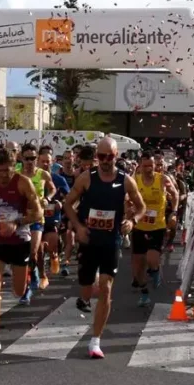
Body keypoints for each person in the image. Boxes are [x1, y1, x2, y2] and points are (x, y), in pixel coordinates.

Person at [63, 137, 144, 359]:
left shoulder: (126, 181)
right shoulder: (86, 179)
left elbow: (141, 206)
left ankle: (95, 340)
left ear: (116, 156)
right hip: (88, 240)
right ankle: (85, 296)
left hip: (111, 241)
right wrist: (78, 227)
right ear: (96, 157)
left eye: (110, 156)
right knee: (87, 286)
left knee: (107, 288)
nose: (106, 161)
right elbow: (67, 203)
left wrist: (133, 221)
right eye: (101, 156)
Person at [0, 149, 42, 350]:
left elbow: (37, 213)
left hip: (19, 240)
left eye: (7, 170)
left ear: (15, 167)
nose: (3, 175)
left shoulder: (23, 182)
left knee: (18, 291)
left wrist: (17, 222)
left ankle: (25, 277)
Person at [132, 152, 179, 307]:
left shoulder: (162, 179)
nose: (148, 169)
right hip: (139, 226)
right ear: (140, 166)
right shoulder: (135, 180)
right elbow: (126, 198)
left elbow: (175, 194)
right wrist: (128, 210)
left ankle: (156, 269)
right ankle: (144, 293)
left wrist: (174, 211)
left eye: (150, 165)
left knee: (152, 259)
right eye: (145, 166)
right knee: (138, 268)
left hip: (157, 226)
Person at [19, 144, 54, 298]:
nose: (30, 161)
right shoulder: (16, 174)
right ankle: (29, 280)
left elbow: (52, 189)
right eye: (27, 158)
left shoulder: (43, 174)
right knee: (23, 254)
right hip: (21, 219)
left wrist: (47, 198)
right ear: (21, 158)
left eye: (33, 158)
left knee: (33, 252)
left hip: (37, 218)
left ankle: (33, 280)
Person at [38, 146, 70, 280]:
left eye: (48, 161)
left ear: (52, 162)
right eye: (43, 161)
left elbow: (69, 198)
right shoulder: (31, 178)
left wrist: (61, 203)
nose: (45, 164)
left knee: (52, 245)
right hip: (37, 218)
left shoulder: (59, 180)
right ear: (38, 161)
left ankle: (54, 256)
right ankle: (40, 274)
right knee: (38, 250)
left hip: (52, 218)